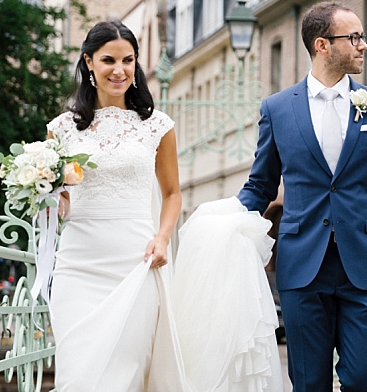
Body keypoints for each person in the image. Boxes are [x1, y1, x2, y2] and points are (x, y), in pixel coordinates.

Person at [46, 20, 281, 392]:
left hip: (136, 259)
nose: (119, 70)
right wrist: (42, 194)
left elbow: (172, 194)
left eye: (128, 60)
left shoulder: (157, 126)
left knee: (126, 371)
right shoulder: (60, 129)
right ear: (89, 62)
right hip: (78, 265)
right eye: (108, 60)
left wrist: (162, 237)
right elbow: (61, 201)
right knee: (78, 374)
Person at [238, 1, 367, 392]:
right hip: (303, 266)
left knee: (364, 380)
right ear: (322, 45)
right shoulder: (277, 109)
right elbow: (261, 184)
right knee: (308, 382)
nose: (363, 45)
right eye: (353, 37)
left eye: (362, 36)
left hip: (366, 266)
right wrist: (227, 222)